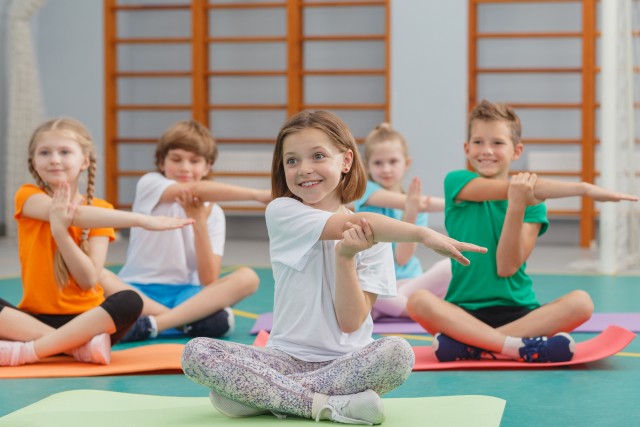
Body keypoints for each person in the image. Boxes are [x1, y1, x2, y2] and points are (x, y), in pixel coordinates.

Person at [181, 110, 487, 425]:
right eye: (292, 161)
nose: (304, 170)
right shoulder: (282, 211)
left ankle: (262, 395)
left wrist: (345, 258)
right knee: (197, 353)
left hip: (349, 363)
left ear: (346, 161)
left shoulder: (377, 238)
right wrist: (423, 234)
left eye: (317, 156)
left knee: (399, 353)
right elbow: (352, 223)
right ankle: (323, 405)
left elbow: (352, 322)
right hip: (282, 360)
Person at [407, 100, 638, 364]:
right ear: (466, 148)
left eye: (497, 143)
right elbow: (512, 189)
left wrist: (517, 205)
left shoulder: (533, 205)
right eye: (479, 142)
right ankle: (516, 347)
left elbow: (506, 267)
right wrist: (583, 189)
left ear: (516, 151)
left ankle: (475, 347)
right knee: (419, 301)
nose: (487, 151)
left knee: (582, 303)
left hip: (520, 313)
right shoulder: (457, 182)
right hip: (462, 312)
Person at [0, 118, 193, 366]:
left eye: (65, 152)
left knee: (130, 300)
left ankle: (31, 350)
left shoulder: (102, 210)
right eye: (45, 152)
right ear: (34, 161)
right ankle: (75, 348)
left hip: (91, 321)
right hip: (34, 319)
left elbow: (88, 279)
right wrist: (142, 220)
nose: (54, 159)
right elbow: (74, 214)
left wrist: (60, 234)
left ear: (85, 161)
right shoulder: (28, 196)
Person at [100, 120, 270, 342]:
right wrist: (257, 195)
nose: (185, 168)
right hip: (137, 291)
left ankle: (152, 324)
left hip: (186, 295)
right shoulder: (150, 184)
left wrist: (199, 221)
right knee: (99, 276)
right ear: (162, 162)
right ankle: (183, 321)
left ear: (207, 167)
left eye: (194, 161)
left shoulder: (214, 213)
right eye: (176, 159)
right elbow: (193, 190)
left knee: (248, 278)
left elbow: (209, 279)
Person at [354, 123, 450, 319]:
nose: (386, 169)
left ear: (406, 163)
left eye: (393, 161)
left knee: (451, 267)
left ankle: (394, 306)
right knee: (363, 290)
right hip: (376, 284)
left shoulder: (416, 206)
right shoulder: (367, 192)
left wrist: (413, 210)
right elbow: (415, 203)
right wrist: (457, 202)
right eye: (378, 163)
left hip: (409, 283)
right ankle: (420, 309)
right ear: (368, 166)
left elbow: (403, 258)